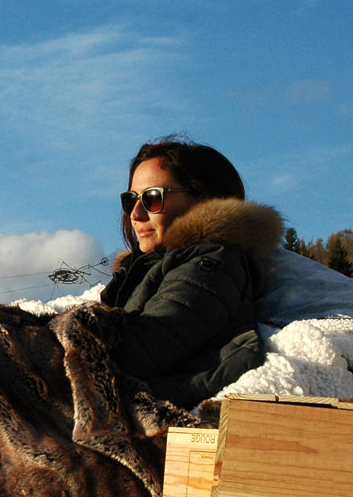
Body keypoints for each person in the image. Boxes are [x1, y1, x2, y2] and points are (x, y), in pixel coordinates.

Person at [99, 136, 285, 408]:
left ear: (202, 200)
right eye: (130, 200)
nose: (135, 214)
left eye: (152, 198)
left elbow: (138, 354)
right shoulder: (141, 270)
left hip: (168, 421)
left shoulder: (212, 263)